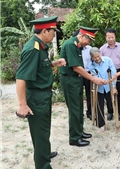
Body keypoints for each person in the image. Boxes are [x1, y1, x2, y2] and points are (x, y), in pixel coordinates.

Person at [16, 16, 66, 169]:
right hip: (37, 97)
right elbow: (21, 78)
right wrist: (22, 105)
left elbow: (39, 68)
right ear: (45, 31)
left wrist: (53, 64)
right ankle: (43, 165)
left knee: (43, 131)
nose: (54, 35)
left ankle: (43, 152)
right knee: (40, 132)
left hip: (43, 95)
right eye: (53, 31)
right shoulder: (33, 49)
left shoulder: (41, 45)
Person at [59, 26, 104, 147]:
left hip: (76, 80)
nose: (89, 44)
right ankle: (74, 138)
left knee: (79, 107)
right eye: (89, 40)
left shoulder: (78, 46)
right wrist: (93, 78)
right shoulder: (70, 45)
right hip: (70, 80)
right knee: (74, 109)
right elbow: (76, 67)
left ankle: (79, 131)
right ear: (82, 36)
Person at [100, 28, 120, 121]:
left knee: (119, 93)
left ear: (115, 37)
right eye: (109, 37)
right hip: (107, 73)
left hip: (119, 71)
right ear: (106, 37)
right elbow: (100, 63)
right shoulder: (102, 49)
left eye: (112, 37)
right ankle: (110, 111)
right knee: (108, 93)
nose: (111, 39)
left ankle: (118, 111)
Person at [88, 47, 117, 131]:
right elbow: (94, 75)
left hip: (109, 86)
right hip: (99, 87)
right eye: (95, 57)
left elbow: (113, 72)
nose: (97, 59)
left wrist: (114, 86)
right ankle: (101, 124)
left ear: (100, 54)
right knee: (99, 105)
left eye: (98, 56)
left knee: (111, 102)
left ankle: (112, 115)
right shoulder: (91, 65)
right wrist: (99, 80)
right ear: (92, 58)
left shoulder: (108, 60)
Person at [82, 45, 93, 120]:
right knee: (78, 94)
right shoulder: (74, 48)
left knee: (89, 94)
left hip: (88, 73)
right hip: (78, 73)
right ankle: (79, 113)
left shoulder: (89, 48)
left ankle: (90, 112)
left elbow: (93, 60)